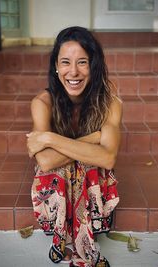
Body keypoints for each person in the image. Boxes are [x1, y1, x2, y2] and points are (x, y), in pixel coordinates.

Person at [27, 26, 122, 267]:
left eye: (82, 62)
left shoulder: (109, 101)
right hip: (55, 186)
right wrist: (94, 139)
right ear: (56, 66)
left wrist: (49, 139)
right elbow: (46, 162)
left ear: (94, 65)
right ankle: (83, 249)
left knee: (86, 167)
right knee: (67, 168)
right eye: (65, 62)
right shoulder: (42, 102)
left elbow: (108, 158)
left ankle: (71, 243)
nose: (73, 71)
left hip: (94, 184)